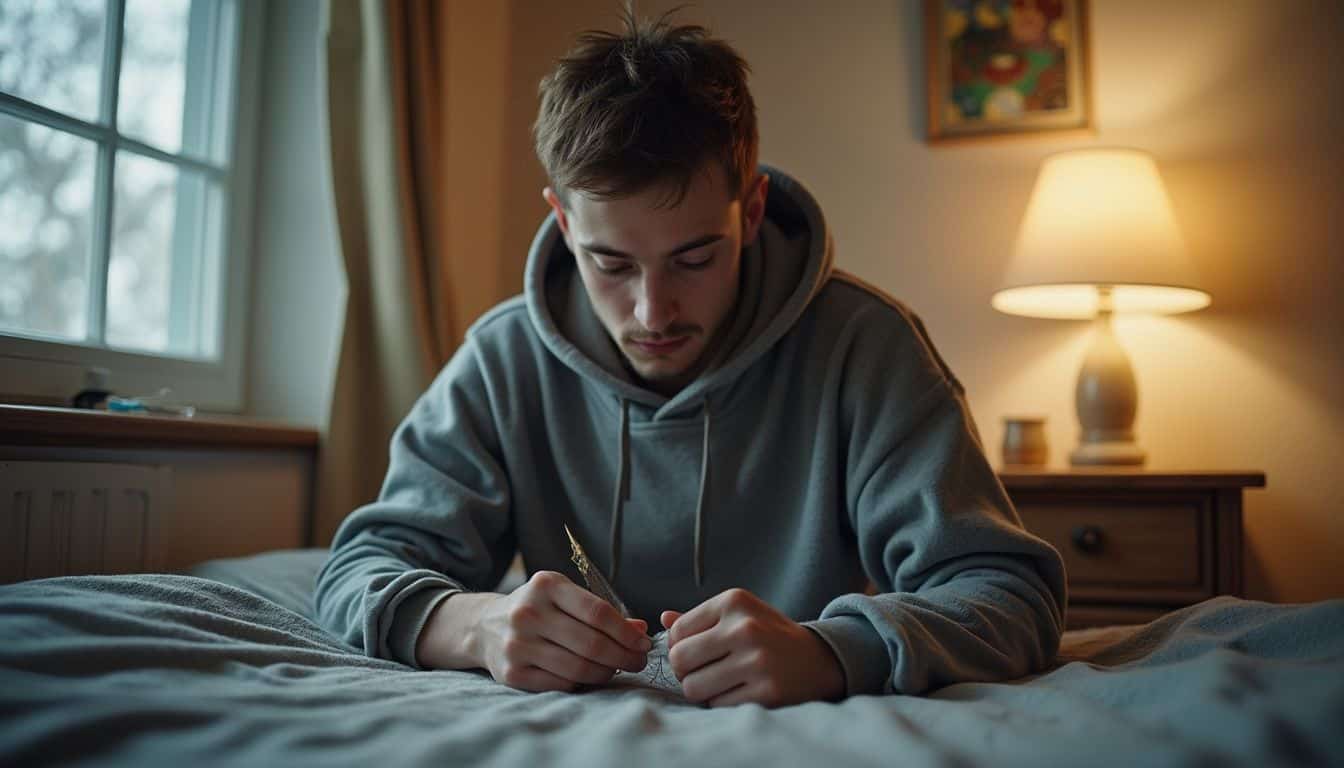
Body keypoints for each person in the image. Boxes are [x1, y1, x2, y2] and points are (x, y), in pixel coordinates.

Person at [315, 8, 1066, 708]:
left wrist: (832, 651)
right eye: (610, 264)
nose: (653, 312)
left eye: (695, 257)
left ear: (753, 210)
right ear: (562, 223)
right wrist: (476, 624)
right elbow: (357, 569)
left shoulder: (866, 349)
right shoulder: (501, 359)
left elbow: (1009, 595)